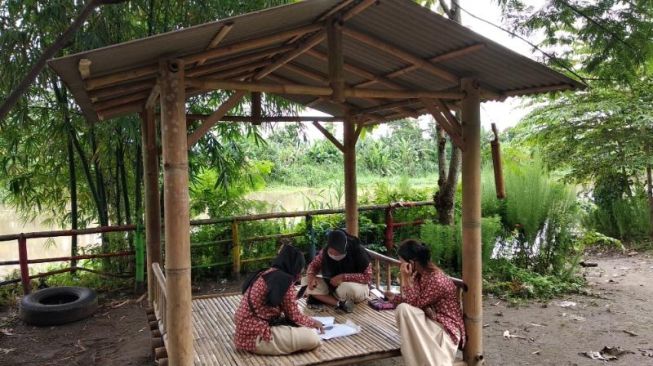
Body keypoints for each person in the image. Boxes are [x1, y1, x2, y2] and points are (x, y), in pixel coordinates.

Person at [384, 239, 465, 366]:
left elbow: (414, 304)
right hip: (431, 322)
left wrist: (405, 279)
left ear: (411, 263)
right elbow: (415, 301)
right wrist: (394, 298)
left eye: (401, 262)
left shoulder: (436, 280)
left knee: (403, 310)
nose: (400, 266)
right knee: (403, 308)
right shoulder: (419, 275)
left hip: (445, 329)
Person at [234, 244, 323, 355]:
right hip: (257, 337)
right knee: (312, 337)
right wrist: (313, 322)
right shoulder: (284, 280)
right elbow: (294, 316)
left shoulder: (267, 273)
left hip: (243, 333)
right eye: (299, 271)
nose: (299, 276)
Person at [304, 229, 372, 313]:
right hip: (332, 286)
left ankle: (325, 297)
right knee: (306, 281)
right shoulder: (324, 252)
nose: (334, 255)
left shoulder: (358, 251)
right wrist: (311, 277)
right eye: (331, 252)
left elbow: (367, 277)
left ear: (345, 248)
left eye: (338, 253)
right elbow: (313, 266)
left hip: (355, 286)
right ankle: (339, 303)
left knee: (347, 289)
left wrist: (343, 277)